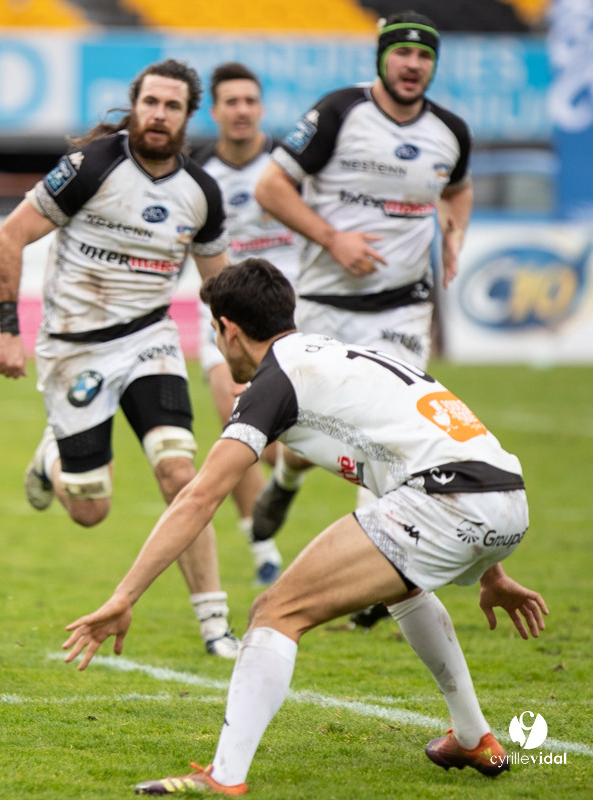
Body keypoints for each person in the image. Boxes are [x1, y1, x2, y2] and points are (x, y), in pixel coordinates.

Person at [63, 258, 546, 795]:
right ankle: (474, 736)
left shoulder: (275, 383)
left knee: (276, 610)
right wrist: (491, 573)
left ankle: (225, 779)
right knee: (403, 589)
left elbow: (198, 497)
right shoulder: (338, 355)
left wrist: (124, 596)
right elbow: (434, 446)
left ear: (227, 328)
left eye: (215, 334)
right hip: (506, 497)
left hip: (448, 499)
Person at [0, 59, 240, 658]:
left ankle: (215, 624)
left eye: (171, 106)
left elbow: (220, 289)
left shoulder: (201, 192)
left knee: (182, 473)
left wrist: (253, 354)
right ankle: (54, 458)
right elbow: (8, 238)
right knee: (90, 511)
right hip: (74, 350)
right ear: (134, 105)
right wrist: (6, 333)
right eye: (150, 102)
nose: (158, 115)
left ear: (186, 116)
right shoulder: (90, 167)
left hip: (150, 341)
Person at [250, 12, 474, 628]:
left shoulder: (450, 130)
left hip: (403, 307)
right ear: (382, 58)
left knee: (394, 438)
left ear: (433, 65)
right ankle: (286, 481)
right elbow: (271, 188)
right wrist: (334, 237)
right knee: (309, 441)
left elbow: (457, 189)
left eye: (423, 56)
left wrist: (454, 232)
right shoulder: (339, 113)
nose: (412, 64)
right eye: (401, 53)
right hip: (324, 304)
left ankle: (381, 577)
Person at [194, 62, 299, 586]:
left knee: (282, 443)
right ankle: (263, 548)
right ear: (214, 111)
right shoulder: (197, 174)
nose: (241, 110)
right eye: (230, 102)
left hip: (289, 316)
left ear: (261, 109)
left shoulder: (291, 167)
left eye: (249, 101)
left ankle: (283, 485)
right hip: (225, 317)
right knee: (239, 426)